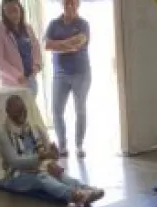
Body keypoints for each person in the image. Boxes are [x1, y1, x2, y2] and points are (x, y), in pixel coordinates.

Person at [0, 95, 104, 207]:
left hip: (38, 167)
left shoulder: (33, 128)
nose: (22, 114)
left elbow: (48, 153)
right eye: (17, 112)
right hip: (16, 176)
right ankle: (76, 196)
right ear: (8, 112)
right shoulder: (3, 134)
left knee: (57, 173)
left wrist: (52, 159)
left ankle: (86, 188)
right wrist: (41, 158)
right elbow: (15, 162)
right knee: (41, 177)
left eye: (23, 110)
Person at [45, 0, 92, 158]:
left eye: (73, 3)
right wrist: (67, 44)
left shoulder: (83, 24)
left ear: (78, 5)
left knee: (80, 110)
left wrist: (58, 44)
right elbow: (47, 45)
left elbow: (79, 44)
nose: (70, 6)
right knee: (57, 110)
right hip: (60, 74)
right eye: (66, 3)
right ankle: (62, 146)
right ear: (62, 5)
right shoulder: (53, 24)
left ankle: (79, 145)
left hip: (81, 73)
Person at [0, 0, 42, 94]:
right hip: (12, 83)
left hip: (30, 79)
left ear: (20, 9)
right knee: (17, 108)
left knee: (31, 108)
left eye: (15, 10)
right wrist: (17, 75)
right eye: (9, 12)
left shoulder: (27, 28)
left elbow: (36, 49)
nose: (13, 15)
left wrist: (37, 65)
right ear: (4, 12)